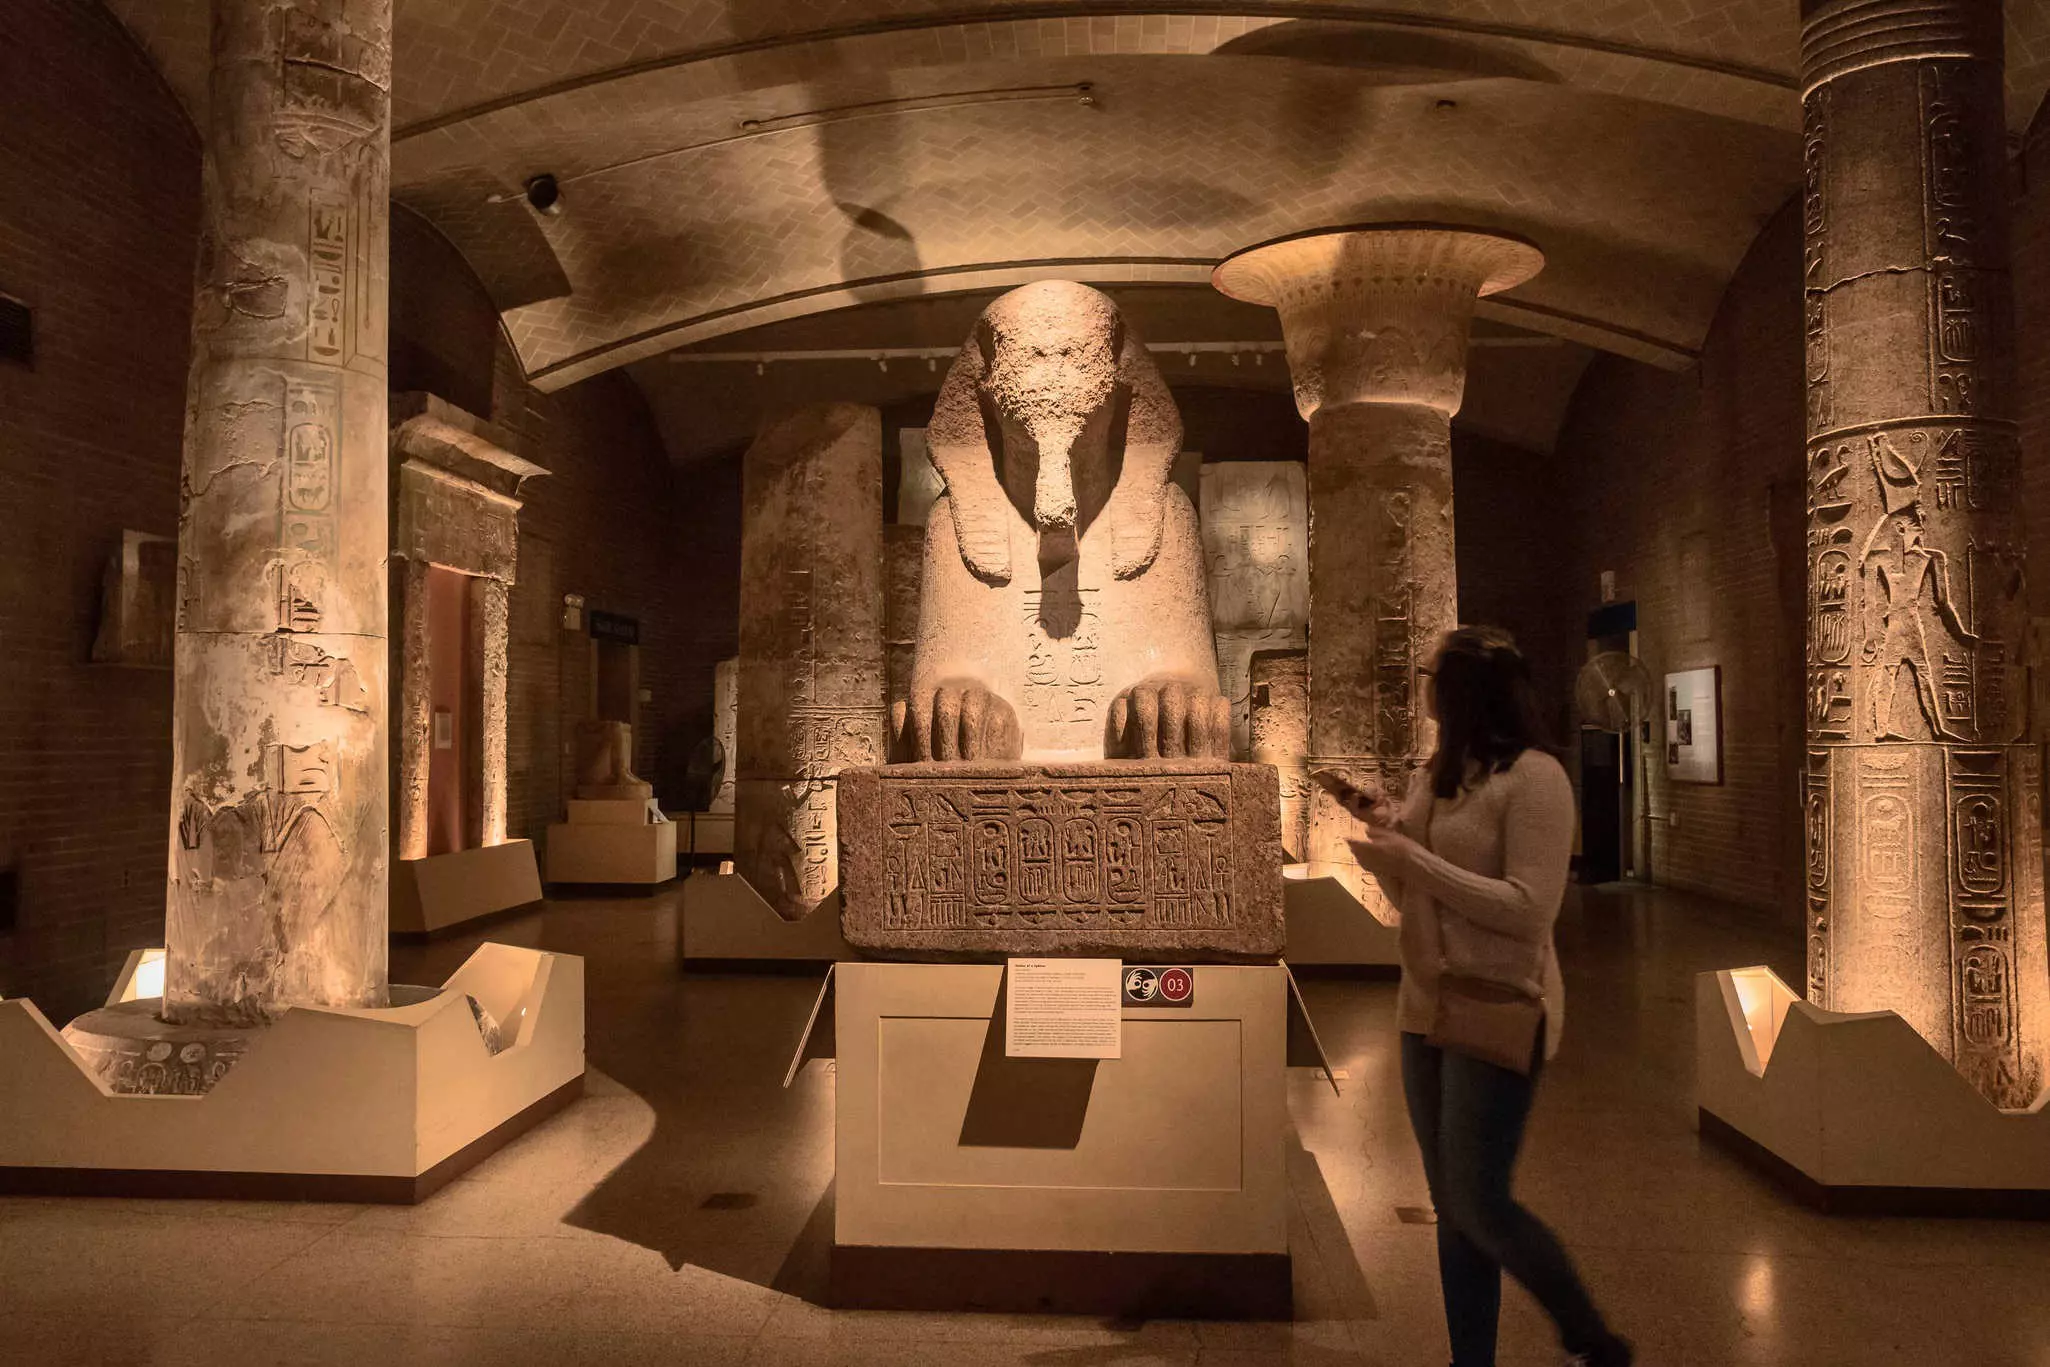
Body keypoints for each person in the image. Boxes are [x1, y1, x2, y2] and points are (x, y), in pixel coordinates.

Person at [1327, 626, 1631, 1367]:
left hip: (1499, 1002)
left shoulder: (1536, 779)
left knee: (1479, 1202)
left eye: (1431, 672)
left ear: (1462, 688)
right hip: (1426, 1005)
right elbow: (1413, 894)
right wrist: (1385, 838)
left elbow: (1530, 907)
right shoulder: (1441, 774)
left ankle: (1590, 1334)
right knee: (1453, 1212)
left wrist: (1417, 861)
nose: (1422, 683)